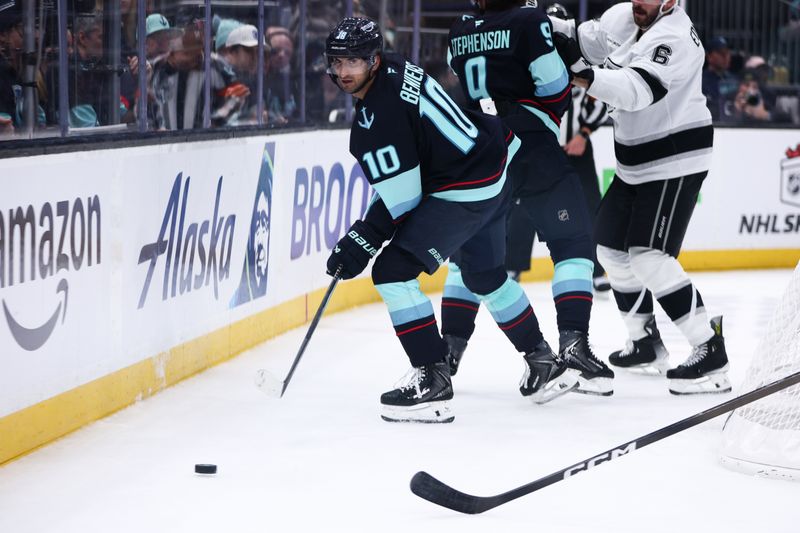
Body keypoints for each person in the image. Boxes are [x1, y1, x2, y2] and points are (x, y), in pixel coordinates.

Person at [324, 17, 579, 423]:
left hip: (466, 187)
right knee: (484, 275)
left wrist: (362, 239)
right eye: (337, 62)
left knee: (392, 272)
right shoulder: (395, 66)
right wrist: (366, 233)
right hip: (494, 165)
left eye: (353, 61)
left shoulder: (376, 118)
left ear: (373, 60)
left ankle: (433, 378)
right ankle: (543, 361)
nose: (343, 72)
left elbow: (404, 198)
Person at [550, 0, 731, 394]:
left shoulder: (675, 38)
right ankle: (644, 342)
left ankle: (710, 350)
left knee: (649, 257)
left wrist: (580, 73)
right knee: (611, 250)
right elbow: (583, 39)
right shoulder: (626, 15)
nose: (637, 1)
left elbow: (635, 91)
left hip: (675, 158)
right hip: (634, 161)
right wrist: (539, 25)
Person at [445, 0, 614, 396]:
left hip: (479, 148)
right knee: (573, 243)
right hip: (530, 144)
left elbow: (459, 69)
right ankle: (573, 345)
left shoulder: (459, 28)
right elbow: (554, 86)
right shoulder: (528, 20)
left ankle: (446, 354)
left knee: (468, 257)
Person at [701, 36, 737, 122]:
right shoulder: (700, 81)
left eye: (727, 52)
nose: (726, 56)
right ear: (709, 56)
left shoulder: (734, 80)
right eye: (721, 53)